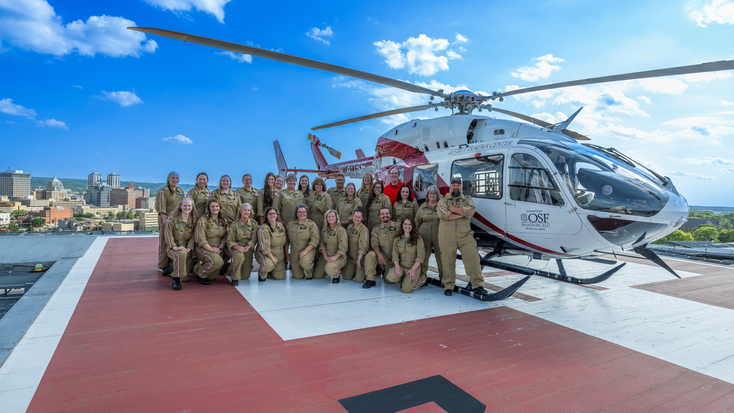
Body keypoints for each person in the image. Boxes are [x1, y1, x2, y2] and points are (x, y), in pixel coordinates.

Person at [438, 178, 488, 296]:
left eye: (458, 185)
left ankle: (477, 285)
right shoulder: (443, 200)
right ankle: (448, 285)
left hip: (465, 236)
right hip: (446, 236)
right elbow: (443, 215)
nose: (456, 187)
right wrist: (462, 213)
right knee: (447, 261)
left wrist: (452, 210)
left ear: (461, 187)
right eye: (453, 185)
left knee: (473, 258)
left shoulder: (468, 199)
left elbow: (471, 211)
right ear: (450, 187)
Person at [385, 217, 426, 293]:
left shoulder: (418, 238)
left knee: (406, 290)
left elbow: (420, 257)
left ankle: (422, 279)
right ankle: (406, 281)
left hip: (413, 267)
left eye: (410, 224)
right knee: (390, 277)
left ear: (413, 226)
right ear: (402, 225)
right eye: (405, 224)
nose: (407, 226)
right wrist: (397, 267)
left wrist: (413, 270)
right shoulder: (397, 239)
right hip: (402, 266)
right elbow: (395, 255)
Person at [164, 197, 198, 290]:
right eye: (185, 205)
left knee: (185, 278)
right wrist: (174, 247)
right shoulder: (172, 219)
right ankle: (176, 280)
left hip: (187, 249)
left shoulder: (194, 220)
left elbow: (194, 236)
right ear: (180, 206)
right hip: (173, 248)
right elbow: (168, 234)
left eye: (189, 206)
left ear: (192, 207)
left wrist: (189, 248)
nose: (187, 207)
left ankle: (171, 269)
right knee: (181, 254)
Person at [363, 207, 400, 289]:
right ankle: (370, 279)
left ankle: (386, 271)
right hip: (383, 257)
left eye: (387, 213)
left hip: (395, 258)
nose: (385, 215)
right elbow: (374, 244)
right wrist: (379, 255)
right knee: (370, 254)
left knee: (389, 280)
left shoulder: (398, 227)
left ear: (390, 215)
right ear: (379, 216)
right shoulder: (376, 229)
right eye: (382, 214)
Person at [193, 198, 228, 285]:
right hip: (203, 248)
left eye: (217, 206)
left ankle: (197, 267)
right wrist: (211, 249)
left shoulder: (223, 221)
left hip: (217, 249)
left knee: (212, 277)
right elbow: (199, 238)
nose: (215, 208)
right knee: (218, 262)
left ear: (220, 208)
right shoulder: (203, 220)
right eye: (212, 206)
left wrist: (220, 248)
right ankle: (200, 274)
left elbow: (225, 237)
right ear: (208, 208)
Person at [156, 171, 185, 272]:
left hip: (177, 221)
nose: (175, 180)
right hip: (166, 220)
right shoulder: (163, 191)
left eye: (177, 178)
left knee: (174, 241)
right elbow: (161, 208)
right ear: (168, 179)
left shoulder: (180, 191)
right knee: (164, 241)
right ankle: (163, 265)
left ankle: (172, 263)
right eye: (173, 178)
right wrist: (164, 220)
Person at [225, 203, 258, 286]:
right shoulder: (234, 224)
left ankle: (229, 269)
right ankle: (234, 278)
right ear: (240, 211)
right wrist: (238, 247)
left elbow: (254, 239)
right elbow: (229, 240)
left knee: (245, 276)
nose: (246, 212)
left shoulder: (254, 224)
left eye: (248, 210)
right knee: (239, 256)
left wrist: (246, 248)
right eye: (244, 210)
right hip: (236, 247)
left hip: (248, 247)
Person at [414, 186, 443, 280]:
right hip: (424, 236)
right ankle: (422, 276)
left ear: (437, 195)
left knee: (441, 258)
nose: (432, 195)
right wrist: (415, 235)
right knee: (424, 257)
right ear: (427, 195)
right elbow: (416, 222)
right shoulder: (422, 207)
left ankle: (444, 278)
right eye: (430, 193)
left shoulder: (441, 206)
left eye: (434, 193)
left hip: (439, 236)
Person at [285, 203, 320, 280]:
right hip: (294, 250)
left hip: (308, 249)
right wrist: (287, 254)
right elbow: (286, 241)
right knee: (297, 276)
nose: (302, 214)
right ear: (296, 213)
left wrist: (304, 251)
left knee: (305, 262)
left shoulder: (311, 224)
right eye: (299, 212)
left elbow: (315, 240)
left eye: (304, 212)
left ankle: (309, 273)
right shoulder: (290, 224)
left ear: (307, 213)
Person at [314, 210, 347, 283]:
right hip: (327, 255)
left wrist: (334, 257)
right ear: (326, 218)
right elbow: (322, 245)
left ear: (336, 218)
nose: (331, 218)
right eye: (329, 216)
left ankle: (336, 275)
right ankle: (328, 268)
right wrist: (326, 257)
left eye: (332, 216)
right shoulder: (324, 230)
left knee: (330, 268)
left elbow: (343, 248)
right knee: (317, 276)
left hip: (338, 255)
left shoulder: (341, 230)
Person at [255, 207, 287, 281]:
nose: (272, 215)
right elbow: (264, 247)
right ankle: (262, 274)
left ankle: (270, 272)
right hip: (266, 254)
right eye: (270, 214)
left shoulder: (281, 226)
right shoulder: (263, 228)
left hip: (279, 255)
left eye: (274, 213)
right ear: (266, 216)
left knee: (280, 277)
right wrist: (273, 258)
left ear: (276, 215)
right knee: (268, 265)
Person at [343, 209, 369, 283]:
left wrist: (358, 259)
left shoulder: (364, 229)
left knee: (359, 280)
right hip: (351, 258)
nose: (356, 218)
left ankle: (363, 273)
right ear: (352, 216)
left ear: (362, 218)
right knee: (346, 277)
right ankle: (354, 271)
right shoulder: (349, 227)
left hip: (360, 259)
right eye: (355, 216)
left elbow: (364, 246)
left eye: (359, 217)